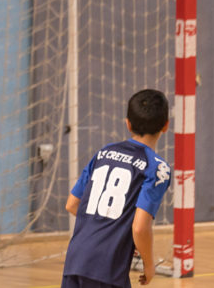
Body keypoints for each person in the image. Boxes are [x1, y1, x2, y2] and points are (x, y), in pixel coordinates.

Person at [61, 89, 172, 287]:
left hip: (75, 260)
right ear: (166, 125)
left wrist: (112, 231)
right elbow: (140, 227)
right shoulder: (157, 167)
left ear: (127, 123)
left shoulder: (104, 152)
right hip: (106, 267)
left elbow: (72, 204)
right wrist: (149, 265)